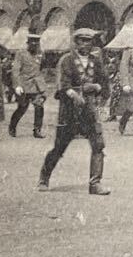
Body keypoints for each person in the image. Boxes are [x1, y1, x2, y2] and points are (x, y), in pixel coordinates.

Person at [38, 27, 110, 194]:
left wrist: (98, 88)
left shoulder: (96, 61)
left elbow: (104, 83)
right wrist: (75, 93)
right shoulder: (67, 60)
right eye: (82, 40)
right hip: (70, 111)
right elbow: (63, 85)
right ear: (76, 42)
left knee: (98, 145)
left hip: (90, 111)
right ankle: (44, 176)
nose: (86, 44)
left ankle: (95, 183)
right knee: (59, 147)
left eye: (89, 41)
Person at [8, 31, 48, 138]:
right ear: (28, 43)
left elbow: (42, 67)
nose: (34, 45)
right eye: (32, 43)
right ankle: (12, 126)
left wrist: (42, 82)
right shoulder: (21, 54)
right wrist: (17, 85)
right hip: (24, 86)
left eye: (36, 43)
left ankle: (37, 130)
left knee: (39, 106)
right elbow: (15, 70)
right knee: (22, 108)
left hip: (37, 86)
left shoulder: (40, 54)